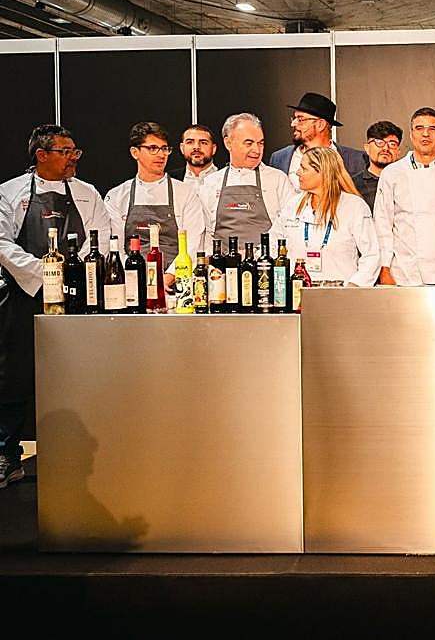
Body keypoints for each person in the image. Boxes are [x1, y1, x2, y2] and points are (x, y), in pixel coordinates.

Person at [0, 126, 109, 490]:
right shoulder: (10, 192)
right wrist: (43, 274)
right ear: (41, 154)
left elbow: (100, 237)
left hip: (76, 294)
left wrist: (70, 273)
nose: (73, 158)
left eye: (75, 151)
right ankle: (7, 455)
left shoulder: (86, 193)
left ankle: (79, 456)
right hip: (23, 295)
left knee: (78, 374)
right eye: (65, 152)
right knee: (14, 376)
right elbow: (2, 244)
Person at [375, 107, 435, 286]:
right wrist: (384, 268)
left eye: (432, 129)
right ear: (411, 134)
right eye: (419, 128)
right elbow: (382, 224)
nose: (425, 134)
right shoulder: (393, 173)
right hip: (404, 272)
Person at [105, 122, 207, 272]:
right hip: (132, 277)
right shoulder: (116, 196)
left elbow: (192, 244)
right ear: (135, 152)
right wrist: (135, 276)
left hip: (176, 277)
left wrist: (169, 277)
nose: (161, 155)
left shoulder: (185, 193)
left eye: (164, 149)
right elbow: (116, 247)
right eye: (153, 148)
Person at [270, 147, 379, 287]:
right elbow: (272, 244)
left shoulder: (354, 206)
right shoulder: (293, 205)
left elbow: (372, 255)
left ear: (322, 173)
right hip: (297, 293)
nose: (297, 172)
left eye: (304, 168)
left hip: (339, 294)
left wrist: (354, 286)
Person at [201, 113, 296, 251]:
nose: (257, 150)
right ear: (228, 143)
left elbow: (290, 228)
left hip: (265, 261)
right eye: (249, 143)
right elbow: (205, 234)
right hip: (221, 262)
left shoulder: (277, 180)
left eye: (260, 143)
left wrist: (256, 254)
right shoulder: (211, 183)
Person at [267, 92, 368, 188]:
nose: (293, 124)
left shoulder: (356, 160)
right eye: (294, 118)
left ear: (321, 125)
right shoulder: (279, 158)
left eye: (300, 119)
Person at [352, 120, 403, 211]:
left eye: (392, 144)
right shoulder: (352, 185)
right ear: (367, 148)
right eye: (379, 142)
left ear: (398, 151)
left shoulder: (407, 181)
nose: (385, 148)